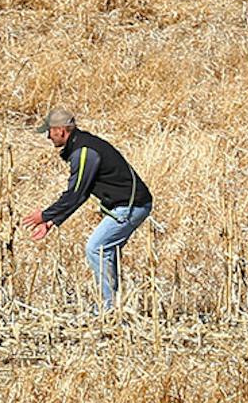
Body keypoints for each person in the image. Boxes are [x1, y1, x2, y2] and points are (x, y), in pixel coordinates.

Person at [22, 108, 152, 311]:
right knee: (105, 250)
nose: (48, 136)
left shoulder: (84, 152)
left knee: (97, 248)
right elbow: (82, 194)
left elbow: (74, 193)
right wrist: (52, 221)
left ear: (61, 130)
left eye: (49, 131)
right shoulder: (82, 146)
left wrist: (45, 215)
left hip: (130, 206)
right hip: (129, 204)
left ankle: (108, 308)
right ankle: (112, 305)